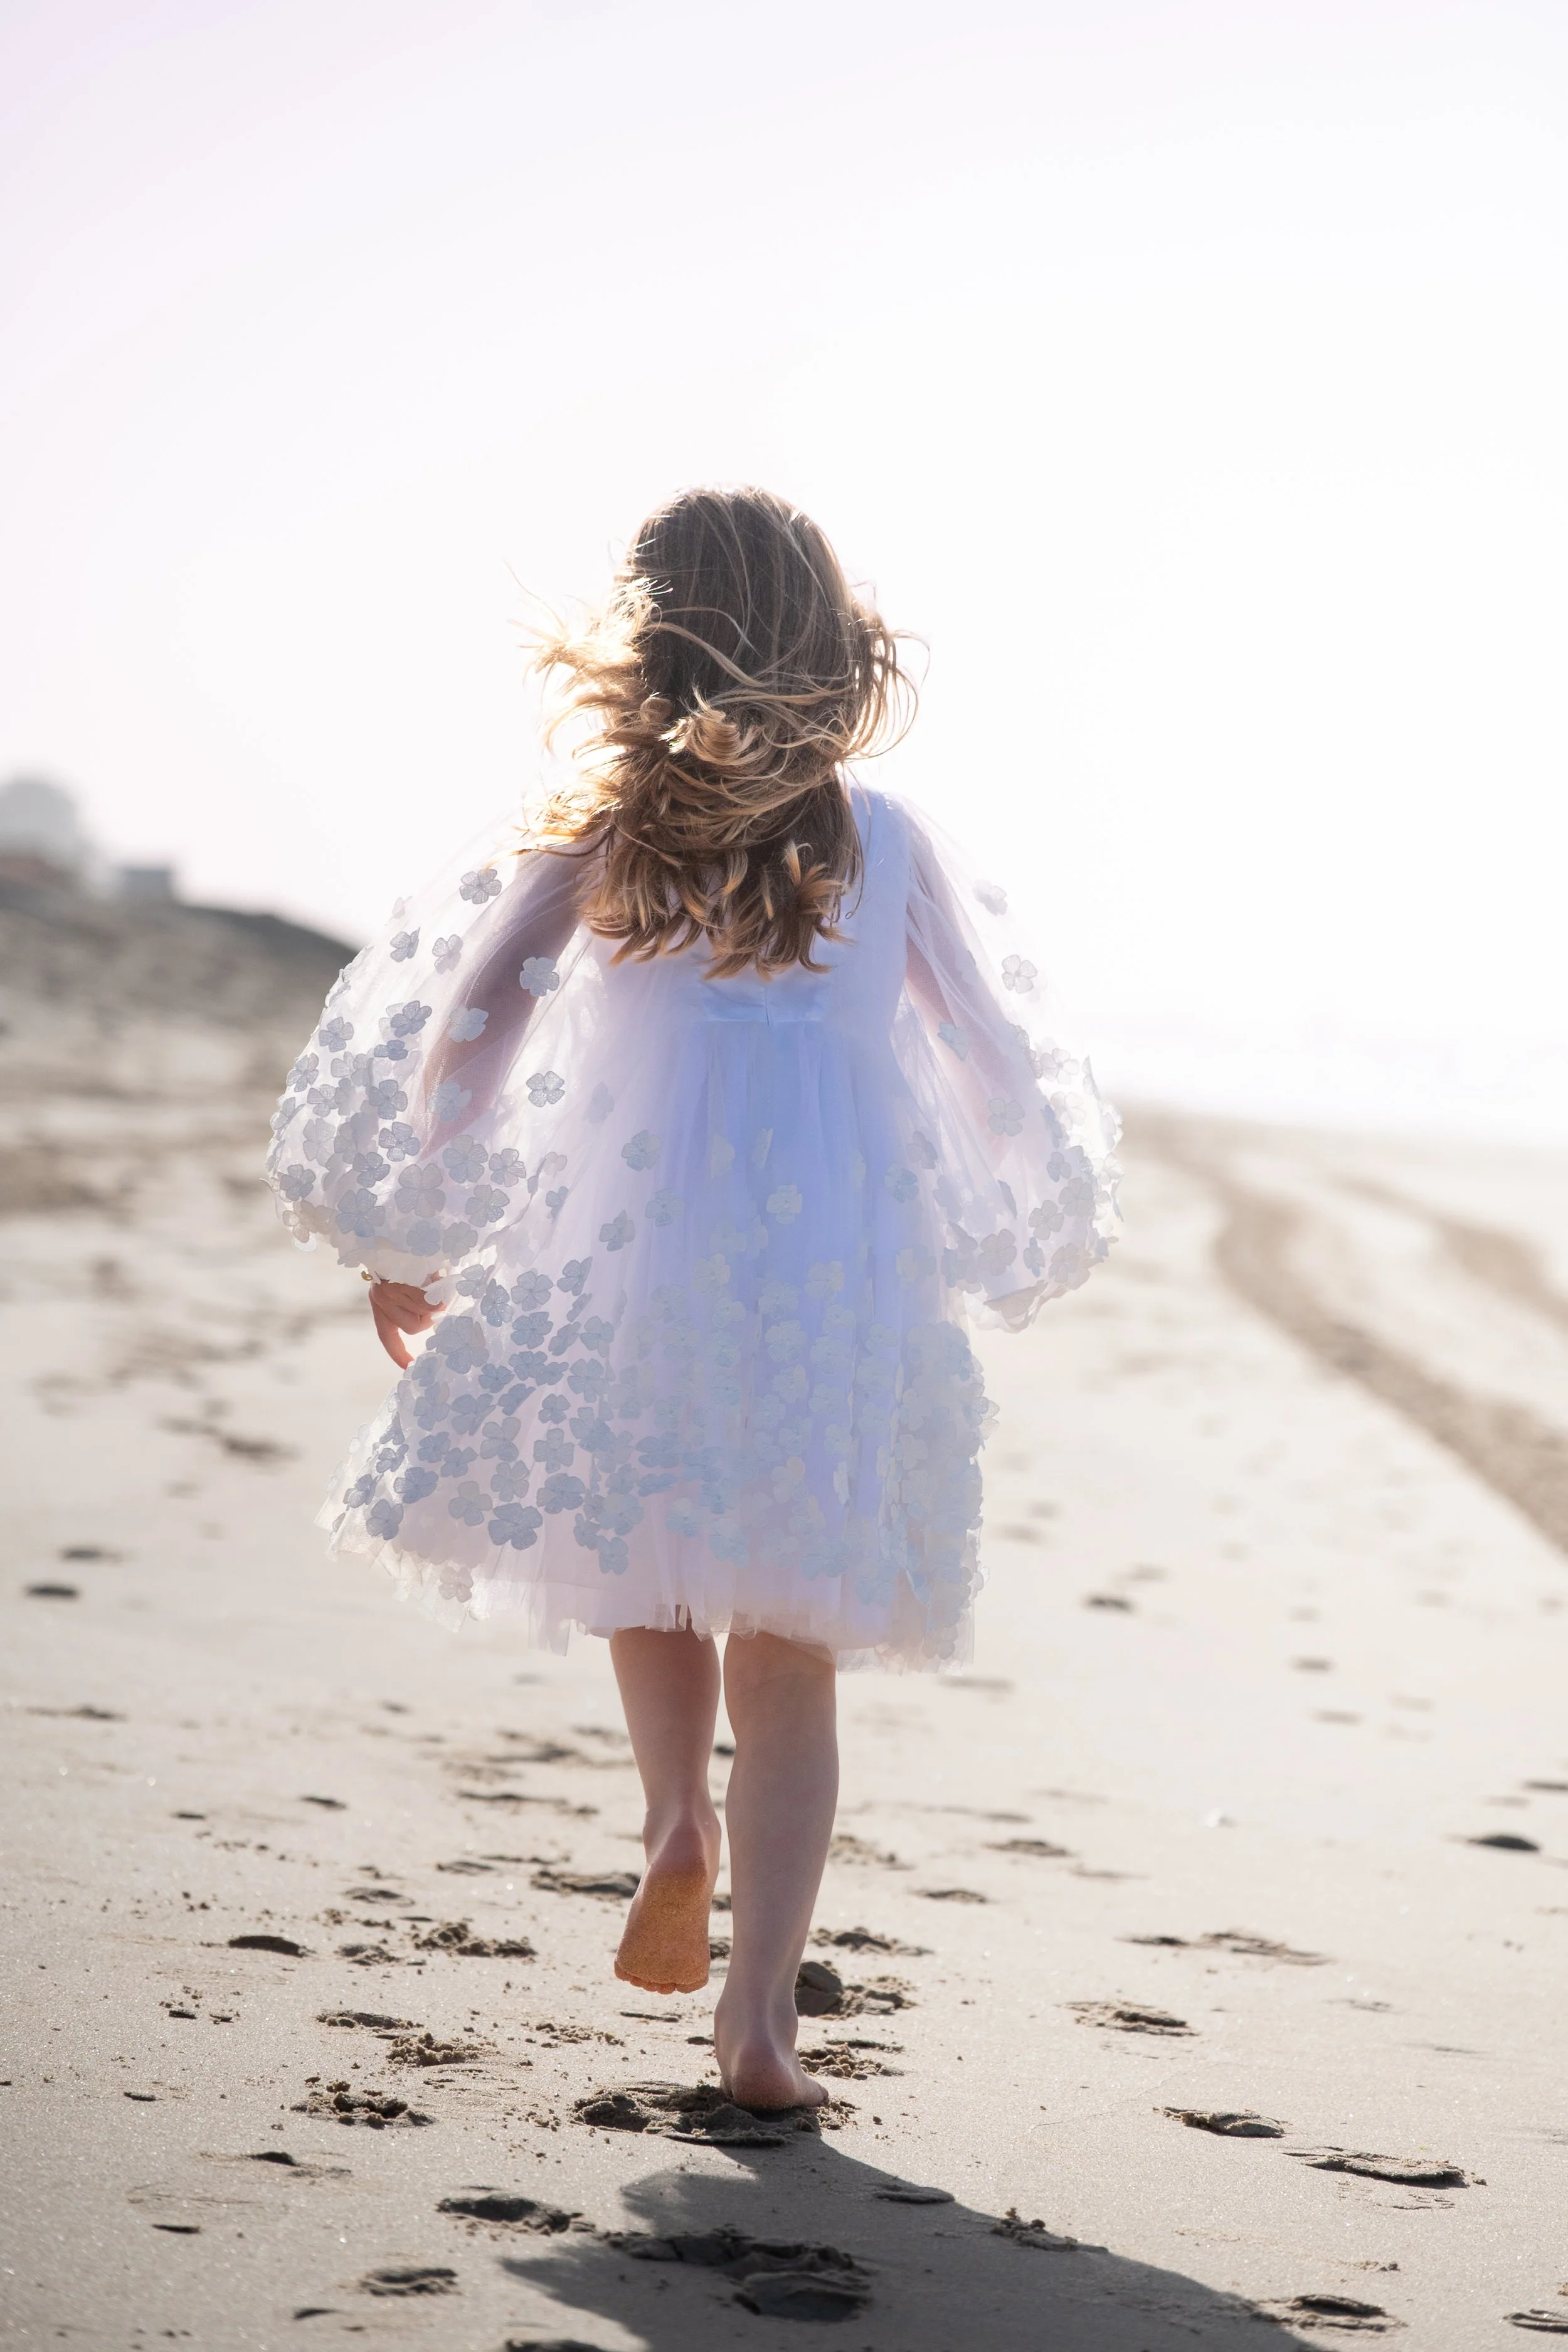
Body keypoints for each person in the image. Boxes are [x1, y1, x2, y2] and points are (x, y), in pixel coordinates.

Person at [267, 485, 1120, 2109]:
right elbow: (988, 1057)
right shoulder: (882, 842)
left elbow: (464, 1029)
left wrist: (416, 1219)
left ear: (649, 644)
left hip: (634, 1246)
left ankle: (674, 1817)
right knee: (789, 1653)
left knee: (644, 1558)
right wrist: (999, 1192)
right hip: (830, 1281)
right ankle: (760, 2025)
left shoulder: (605, 840)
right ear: (829, 643)